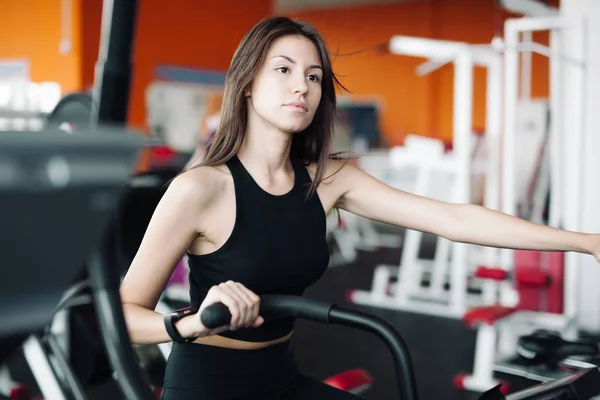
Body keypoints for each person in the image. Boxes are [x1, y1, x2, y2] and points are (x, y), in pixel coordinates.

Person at [119, 16, 600, 400]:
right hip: (208, 384)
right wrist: (191, 321)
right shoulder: (200, 188)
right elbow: (123, 314)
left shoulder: (329, 180)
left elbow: (454, 219)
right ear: (247, 83)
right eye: (283, 70)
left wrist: (584, 242)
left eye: (313, 76)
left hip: (282, 377)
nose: (301, 87)